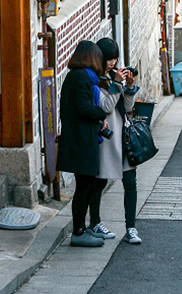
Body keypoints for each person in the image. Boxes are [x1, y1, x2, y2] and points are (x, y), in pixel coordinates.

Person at [56, 41, 111, 247]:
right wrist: (102, 112)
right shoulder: (79, 78)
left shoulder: (81, 78)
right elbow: (84, 108)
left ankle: (82, 228)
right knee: (83, 188)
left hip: (82, 139)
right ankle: (78, 231)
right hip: (80, 141)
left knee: (86, 186)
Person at [95, 38, 143, 245]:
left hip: (123, 136)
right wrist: (116, 84)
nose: (113, 64)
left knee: (130, 183)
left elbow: (128, 107)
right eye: (109, 60)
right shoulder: (95, 81)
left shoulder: (115, 79)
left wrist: (129, 87)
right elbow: (106, 107)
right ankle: (95, 223)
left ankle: (131, 227)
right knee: (99, 183)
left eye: (115, 60)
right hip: (107, 140)